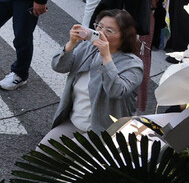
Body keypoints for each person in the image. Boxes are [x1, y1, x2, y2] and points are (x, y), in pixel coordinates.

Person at [42, 10, 143, 143]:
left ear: (124, 36)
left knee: (72, 158)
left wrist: (106, 57)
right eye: (99, 26)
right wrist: (71, 44)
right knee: (43, 151)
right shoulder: (87, 48)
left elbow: (116, 91)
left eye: (109, 31)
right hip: (74, 122)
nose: (101, 33)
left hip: (104, 131)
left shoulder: (132, 64)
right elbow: (59, 66)